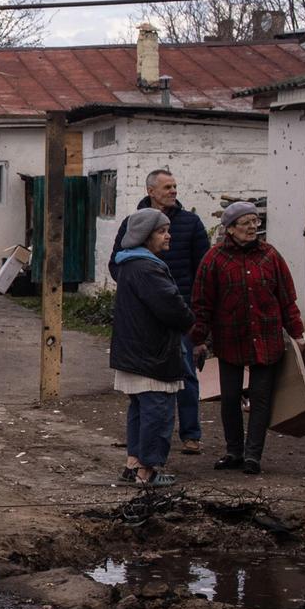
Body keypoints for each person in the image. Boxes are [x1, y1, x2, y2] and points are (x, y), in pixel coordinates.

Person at [189, 201, 305, 476]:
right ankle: (234, 452)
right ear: (230, 229)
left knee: (260, 398)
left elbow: (287, 299)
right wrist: (198, 338)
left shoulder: (270, 256)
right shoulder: (214, 259)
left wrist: (297, 333)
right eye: (246, 223)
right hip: (231, 337)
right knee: (230, 397)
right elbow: (202, 303)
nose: (253, 227)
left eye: (255, 222)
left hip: (266, 337)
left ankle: (253, 455)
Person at [107, 169, 210, 461]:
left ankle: (190, 434)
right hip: (151, 315)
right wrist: (139, 290)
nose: (173, 191)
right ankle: (144, 459)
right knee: (153, 391)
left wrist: (189, 307)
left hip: (181, 307)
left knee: (185, 375)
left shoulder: (190, 222)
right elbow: (117, 262)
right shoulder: (134, 226)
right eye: (167, 187)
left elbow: (203, 267)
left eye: (175, 186)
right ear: (151, 190)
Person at [110, 208, 194, 487]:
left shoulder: (129, 265)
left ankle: (133, 465)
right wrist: (191, 321)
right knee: (157, 413)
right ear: (145, 236)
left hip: (135, 351)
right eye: (162, 231)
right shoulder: (147, 268)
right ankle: (148, 471)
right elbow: (173, 307)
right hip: (152, 355)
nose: (168, 236)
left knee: (139, 409)